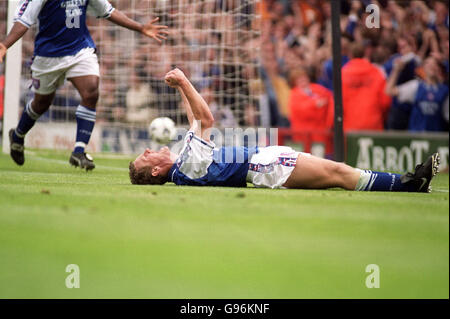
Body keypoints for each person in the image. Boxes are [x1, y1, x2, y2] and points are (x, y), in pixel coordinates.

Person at [129, 68, 440, 193]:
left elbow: (194, 121)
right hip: (267, 168)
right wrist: (184, 80)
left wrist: (180, 91)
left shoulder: (184, 165)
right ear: (156, 171)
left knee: (338, 172)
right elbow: (207, 120)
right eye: (145, 157)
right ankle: (408, 183)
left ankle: (411, 182)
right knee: (338, 172)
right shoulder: (188, 167)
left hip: (267, 161)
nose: (148, 150)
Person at [0, 0, 169, 170]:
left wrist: (140, 28)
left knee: (91, 92)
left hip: (79, 50)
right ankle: (18, 135)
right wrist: (5, 45)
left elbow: (108, 11)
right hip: (48, 56)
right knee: (41, 103)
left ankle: (79, 151)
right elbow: (24, 21)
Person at [386, 56, 449, 132]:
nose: (432, 66)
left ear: (439, 69)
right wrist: (396, 70)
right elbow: (389, 91)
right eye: (428, 64)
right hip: (417, 137)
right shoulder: (416, 86)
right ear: (423, 68)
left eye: (435, 64)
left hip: (436, 137)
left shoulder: (445, 91)